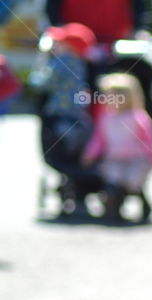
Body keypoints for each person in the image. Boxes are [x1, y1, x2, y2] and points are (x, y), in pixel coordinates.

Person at [29, 22, 101, 217]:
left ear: (68, 46)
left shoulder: (61, 61)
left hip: (59, 113)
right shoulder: (82, 63)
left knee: (60, 149)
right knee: (73, 151)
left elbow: (41, 83)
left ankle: (68, 183)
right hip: (77, 115)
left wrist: (39, 69)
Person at [81, 72, 152, 224]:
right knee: (113, 179)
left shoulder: (138, 118)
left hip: (135, 159)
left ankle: (143, 204)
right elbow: (99, 140)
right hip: (114, 158)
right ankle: (113, 206)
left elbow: (147, 140)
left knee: (133, 181)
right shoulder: (106, 118)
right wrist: (90, 154)